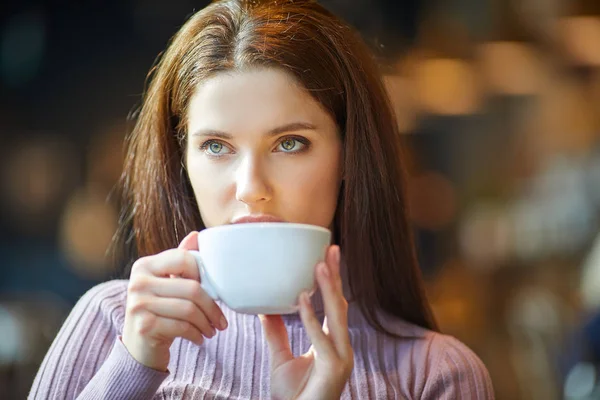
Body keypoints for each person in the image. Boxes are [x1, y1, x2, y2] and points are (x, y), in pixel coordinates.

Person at [29, 0, 494, 398]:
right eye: (216, 147)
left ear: (351, 156)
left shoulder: (435, 375)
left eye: (290, 143)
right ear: (182, 163)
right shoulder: (112, 324)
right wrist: (131, 369)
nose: (250, 186)